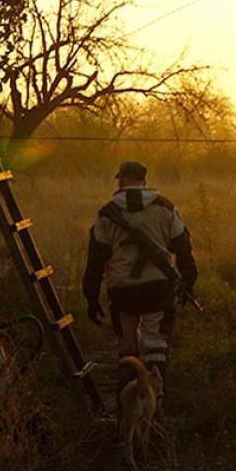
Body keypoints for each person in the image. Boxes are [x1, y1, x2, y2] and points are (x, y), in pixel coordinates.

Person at [82, 160, 198, 409]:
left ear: (121, 179)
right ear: (144, 181)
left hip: (122, 291)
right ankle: (155, 408)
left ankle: (126, 409)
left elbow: (95, 260)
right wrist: (188, 283)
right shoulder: (165, 207)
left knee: (128, 348)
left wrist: (90, 298)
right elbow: (184, 249)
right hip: (157, 288)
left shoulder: (107, 212)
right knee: (155, 345)